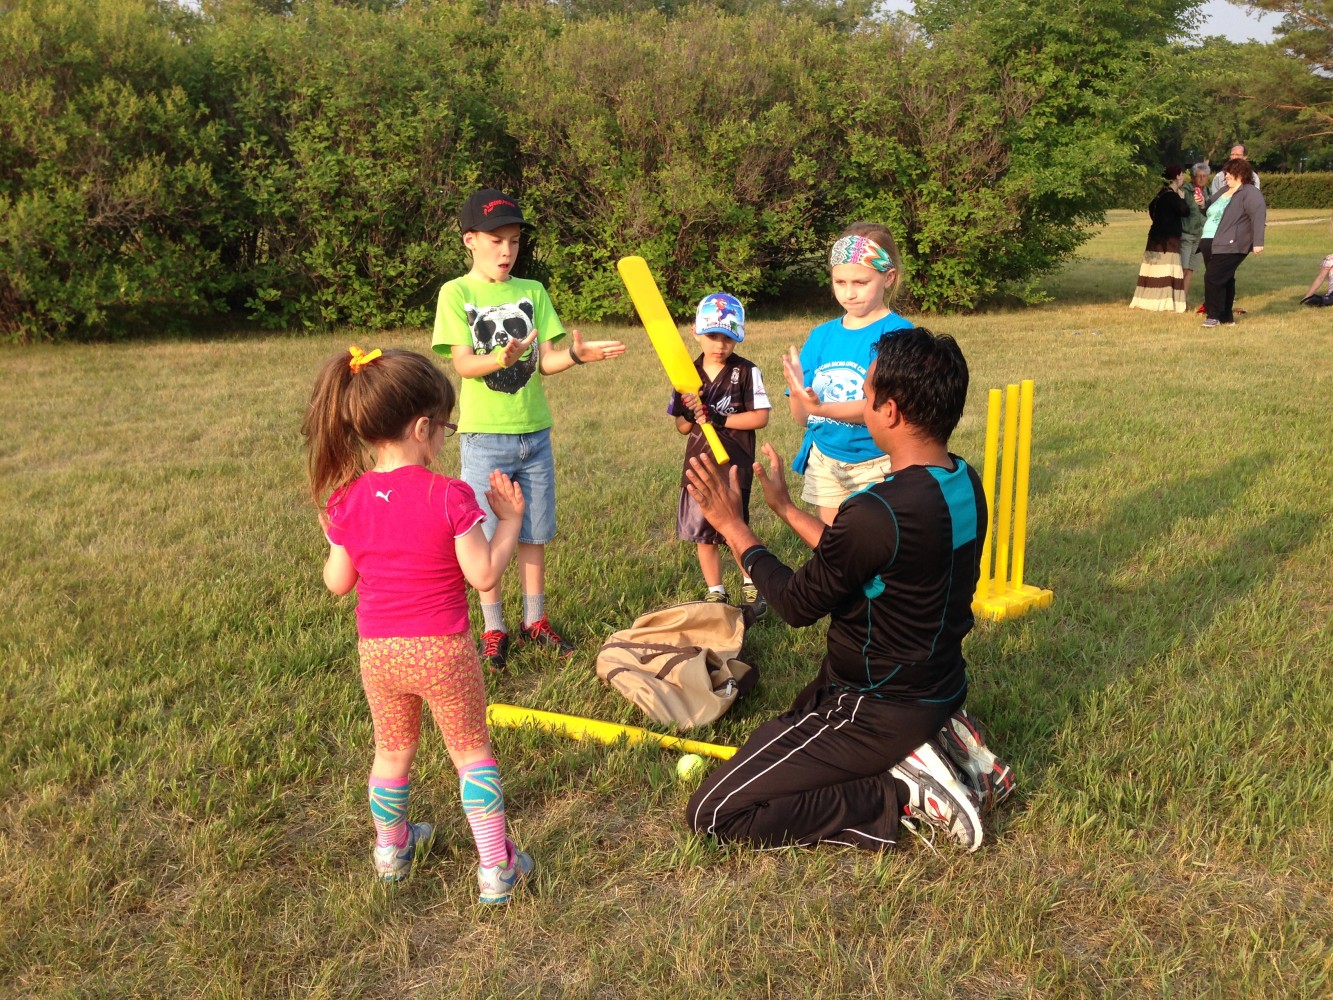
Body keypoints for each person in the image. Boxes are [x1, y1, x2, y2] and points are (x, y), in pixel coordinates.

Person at [683, 328, 1014, 853]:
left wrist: (732, 527)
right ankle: (934, 742)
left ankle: (897, 793)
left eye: (866, 392)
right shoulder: (961, 480)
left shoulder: (879, 511)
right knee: (780, 730)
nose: (859, 402)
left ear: (890, 411)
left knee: (717, 811)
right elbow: (864, 561)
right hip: (938, 686)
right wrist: (789, 511)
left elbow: (794, 603)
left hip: (872, 706)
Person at [303, 346, 534, 902]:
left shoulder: (347, 500)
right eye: (444, 430)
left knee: (392, 750)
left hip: (379, 653)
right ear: (422, 426)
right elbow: (482, 576)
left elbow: (338, 582)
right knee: (471, 751)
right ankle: (496, 867)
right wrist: (511, 522)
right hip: (443, 651)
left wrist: (335, 532)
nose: (443, 441)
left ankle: (391, 851)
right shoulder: (447, 494)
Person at [432, 188, 626, 669]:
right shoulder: (456, 293)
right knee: (488, 531)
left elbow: (546, 360)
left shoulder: (533, 292)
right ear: (469, 240)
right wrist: (499, 356)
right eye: (496, 240)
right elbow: (462, 363)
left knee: (534, 531)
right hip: (485, 438)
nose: (506, 251)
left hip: (534, 434)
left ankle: (534, 620)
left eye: (514, 241)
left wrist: (576, 356)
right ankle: (494, 626)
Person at [782, 222, 913, 526]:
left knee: (874, 543)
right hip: (825, 458)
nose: (849, 293)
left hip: (876, 463)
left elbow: (881, 408)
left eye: (860, 282)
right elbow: (803, 418)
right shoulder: (821, 336)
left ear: (888, 278)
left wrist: (820, 407)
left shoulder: (899, 335)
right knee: (832, 546)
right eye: (840, 282)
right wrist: (797, 391)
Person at [667, 293, 772, 614]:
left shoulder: (746, 371)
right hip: (699, 465)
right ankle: (716, 591)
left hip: (733, 464)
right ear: (696, 332)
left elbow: (760, 417)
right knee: (703, 533)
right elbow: (682, 429)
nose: (719, 344)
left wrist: (717, 417)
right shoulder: (685, 375)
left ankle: (751, 585)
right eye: (712, 336)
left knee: (735, 527)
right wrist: (688, 413)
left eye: (727, 338)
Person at [1201, 159, 1266, 328]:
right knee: (1225, 278)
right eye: (1226, 172)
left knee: (1213, 277)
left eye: (1229, 172)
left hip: (1232, 242)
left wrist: (1258, 241)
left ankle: (1212, 316)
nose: (1226, 176)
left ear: (1240, 174)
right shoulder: (1223, 191)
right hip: (1210, 241)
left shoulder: (1250, 192)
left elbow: (1258, 215)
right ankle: (1226, 318)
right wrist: (1201, 203)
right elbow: (1208, 209)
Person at [1129, 165, 1190, 312]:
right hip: (1168, 240)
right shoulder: (1172, 196)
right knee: (1165, 270)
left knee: (1152, 270)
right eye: (1181, 175)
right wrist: (1182, 199)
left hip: (1155, 238)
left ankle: (1147, 299)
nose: (1182, 178)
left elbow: (1152, 210)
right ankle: (1161, 300)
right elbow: (1185, 211)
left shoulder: (1159, 195)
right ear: (1176, 176)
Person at [1180, 163, 1210, 302]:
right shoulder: (1185, 190)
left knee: (1191, 269)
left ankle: (1183, 298)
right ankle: (1177, 298)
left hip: (1201, 236)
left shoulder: (1208, 192)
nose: (1202, 179)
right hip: (1186, 234)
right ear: (1193, 177)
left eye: (1204, 176)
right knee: (1183, 268)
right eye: (1199, 176)